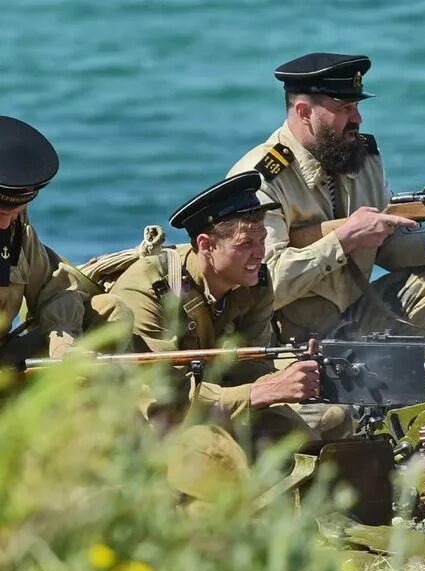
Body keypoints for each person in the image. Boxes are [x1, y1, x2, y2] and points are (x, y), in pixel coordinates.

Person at [227, 52, 425, 348]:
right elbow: (262, 283)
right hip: (283, 341)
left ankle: (404, 379)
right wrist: (343, 241)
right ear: (304, 112)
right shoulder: (260, 179)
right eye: (344, 109)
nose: (357, 119)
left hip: (350, 325)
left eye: (356, 106)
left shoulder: (360, 158)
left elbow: (386, 240)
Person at [105, 171, 321, 502]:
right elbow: (163, 402)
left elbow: (251, 365)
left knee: (303, 441)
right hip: (142, 419)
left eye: (262, 240)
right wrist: (257, 393)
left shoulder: (254, 283)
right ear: (206, 245)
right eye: (245, 244)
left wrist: (289, 380)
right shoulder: (149, 290)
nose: (259, 254)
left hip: (207, 400)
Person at [0, 116, 84, 364]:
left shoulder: (17, 231)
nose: (5, 224)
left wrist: (63, 346)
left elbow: (55, 288)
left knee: (110, 310)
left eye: (14, 214)